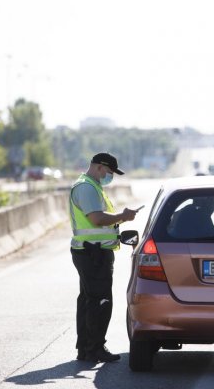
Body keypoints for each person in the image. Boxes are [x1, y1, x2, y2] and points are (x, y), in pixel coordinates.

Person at [69, 152, 139, 363]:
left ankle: (86, 348)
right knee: (100, 301)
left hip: (92, 251)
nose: (110, 176)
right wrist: (122, 217)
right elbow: (97, 218)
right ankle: (94, 348)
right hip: (93, 253)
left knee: (89, 300)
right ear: (100, 167)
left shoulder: (91, 185)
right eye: (109, 172)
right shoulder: (87, 188)